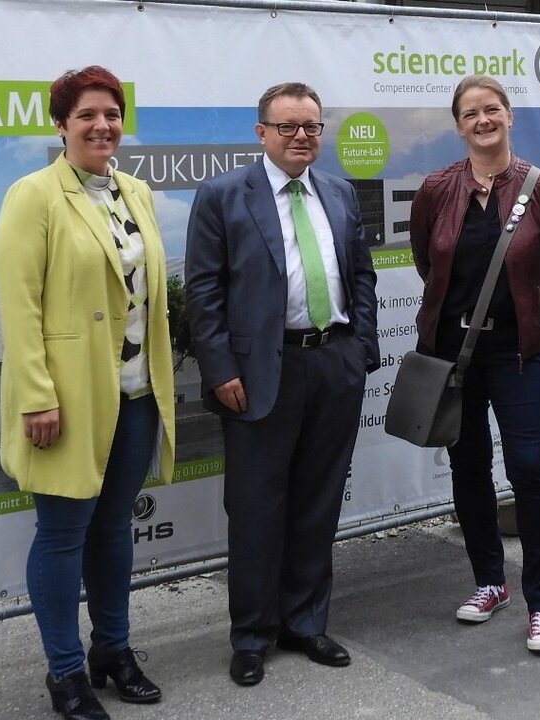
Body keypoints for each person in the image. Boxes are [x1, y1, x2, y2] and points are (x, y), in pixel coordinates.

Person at [0, 66, 176, 720]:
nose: (103, 125)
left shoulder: (137, 194)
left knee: (114, 530)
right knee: (63, 535)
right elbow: (20, 306)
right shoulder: (33, 195)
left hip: (134, 395)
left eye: (112, 113)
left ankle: (114, 650)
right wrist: (39, 396)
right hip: (66, 401)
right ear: (62, 124)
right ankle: (66, 672)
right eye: (88, 115)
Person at [185, 82, 379, 687]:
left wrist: (361, 351)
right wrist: (220, 370)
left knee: (318, 504)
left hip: (333, 366)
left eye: (312, 126)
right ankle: (252, 635)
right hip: (260, 374)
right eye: (289, 126)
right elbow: (204, 292)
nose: (302, 136)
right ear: (261, 133)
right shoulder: (222, 196)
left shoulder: (340, 191)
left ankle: (305, 622)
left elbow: (362, 276)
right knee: (255, 509)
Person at [409, 75, 540, 654]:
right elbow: (425, 260)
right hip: (455, 357)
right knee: (469, 465)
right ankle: (489, 582)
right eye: (470, 113)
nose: (482, 120)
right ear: (458, 125)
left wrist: (527, 311)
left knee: (530, 470)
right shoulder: (436, 189)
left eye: (492, 109)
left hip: (518, 352)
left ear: (509, 116)